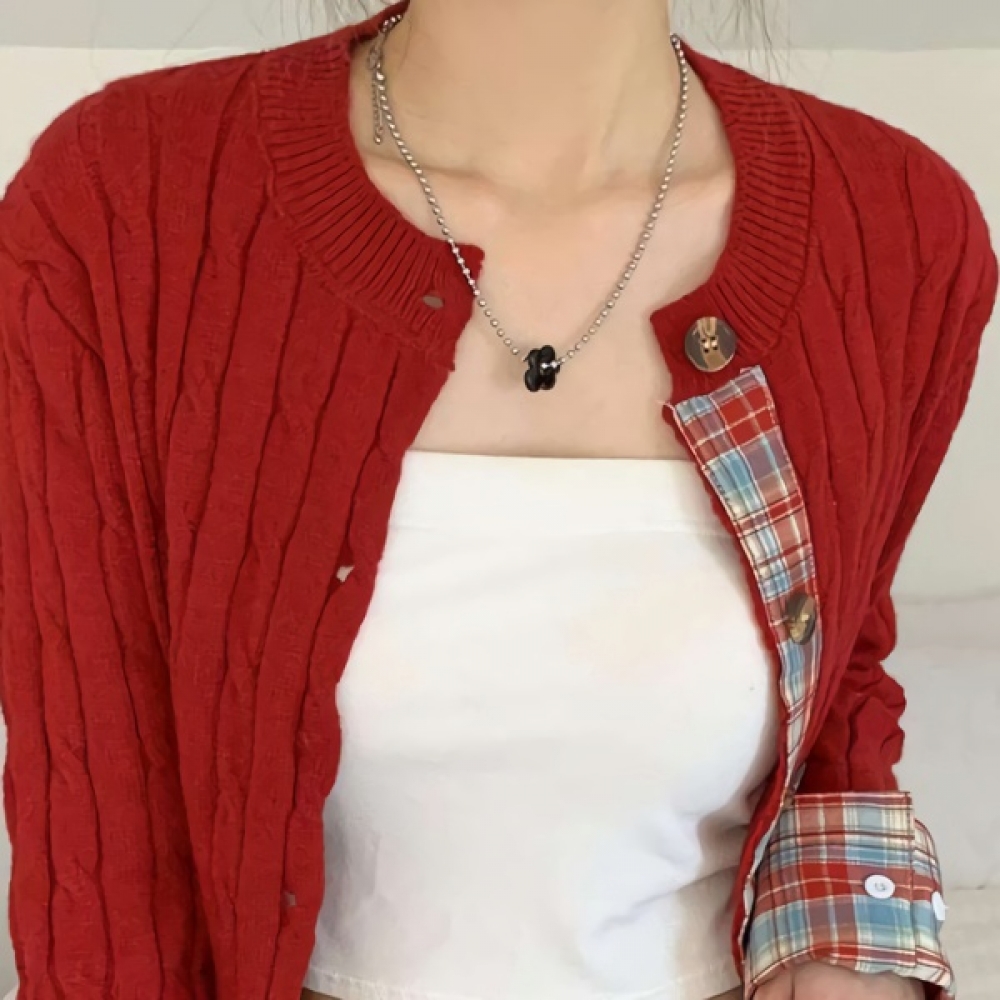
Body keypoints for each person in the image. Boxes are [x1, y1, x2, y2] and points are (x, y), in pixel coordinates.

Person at [0, 0, 996, 998]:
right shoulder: (123, 207)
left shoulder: (900, 233)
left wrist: (851, 943)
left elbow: (838, 672)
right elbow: (102, 830)